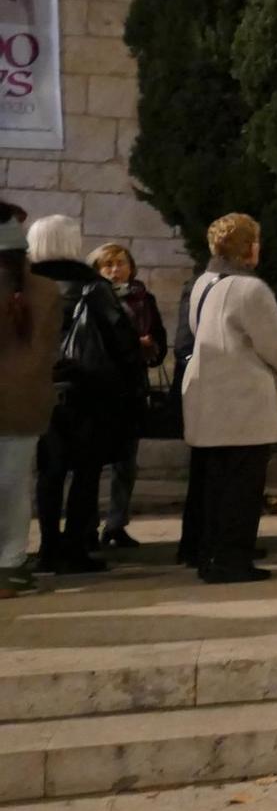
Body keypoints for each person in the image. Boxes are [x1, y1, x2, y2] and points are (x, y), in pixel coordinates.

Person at [181, 213, 277, 584]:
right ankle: (233, 560)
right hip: (243, 401)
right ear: (250, 247)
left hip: (209, 396)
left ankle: (211, 555)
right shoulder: (250, 289)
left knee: (216, 484)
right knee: (242, 487)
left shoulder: (204, 283)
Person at [28, 216, 145, 575]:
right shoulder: (91, 286)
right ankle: (76, 548)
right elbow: (121, 340)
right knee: (86, 472)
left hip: (36, 389)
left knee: (48, 473)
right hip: (87, 392)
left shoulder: (23, 283)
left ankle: (47, 547)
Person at [87, 243, 166, 549]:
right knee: (92, 461)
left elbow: (159, 343)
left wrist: (151, 348)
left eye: (120, 263)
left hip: (132, 387)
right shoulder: (92, 299)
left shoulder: (145, 300)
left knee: (126, 462)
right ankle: (87, 525)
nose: (114, 270)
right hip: (99, 388)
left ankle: (116, 524)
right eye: (107, 265)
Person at [0, 202, 59, 597]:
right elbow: (49, 350)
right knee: (15, 487)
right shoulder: (47, 289)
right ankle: (11, 566)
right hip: (26, 404)